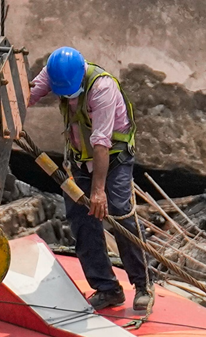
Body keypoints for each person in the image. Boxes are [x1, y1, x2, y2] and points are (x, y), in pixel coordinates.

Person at [28, 47, 152, 313]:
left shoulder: (102, 88)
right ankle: (107, 288)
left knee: (119, 213)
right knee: (80, 219)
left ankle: (143, 285)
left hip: (113, 158)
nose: (66, 96)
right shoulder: (54, 72)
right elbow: (27, 96)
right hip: (80, 159)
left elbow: (101, 143)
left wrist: (98, 191)